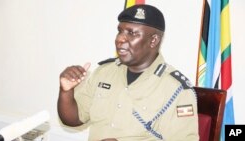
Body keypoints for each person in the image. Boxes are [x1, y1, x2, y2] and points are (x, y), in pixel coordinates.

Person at [58, 4, 199, 141]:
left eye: (131, 33)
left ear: (153, 40)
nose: (120, 39)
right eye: (120, 31)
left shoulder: (176, 89)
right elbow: (74, 119)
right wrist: (66, 91)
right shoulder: (104, 72)